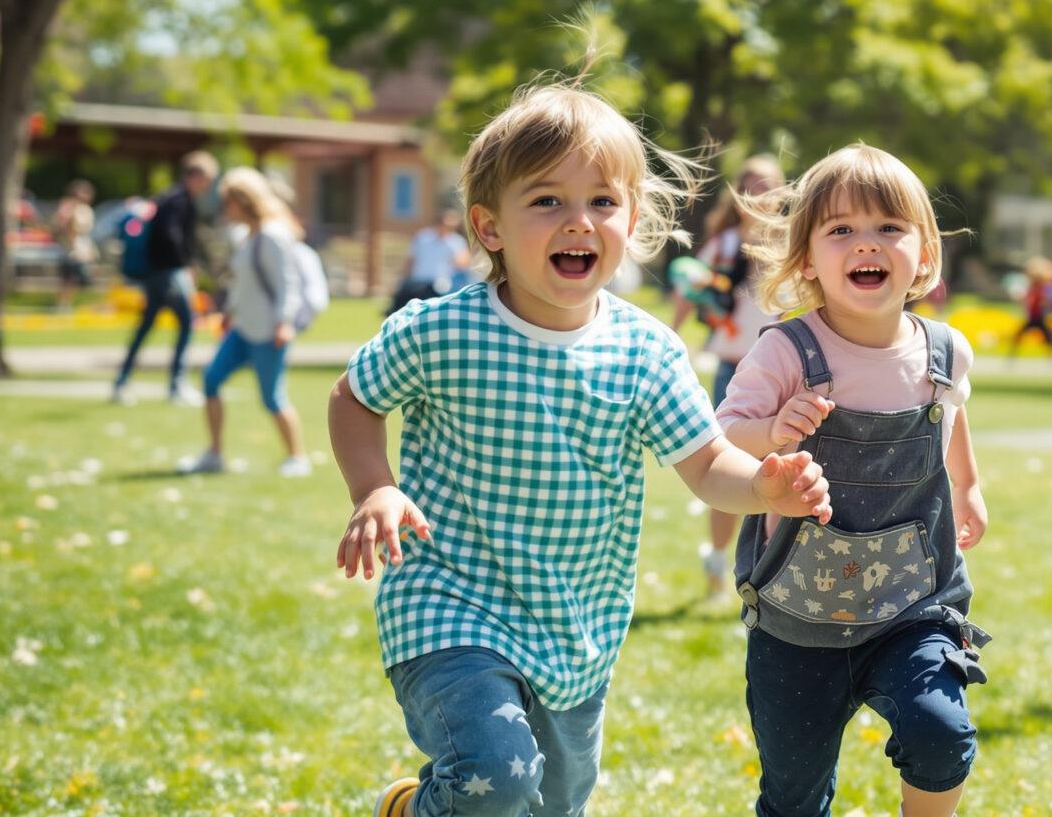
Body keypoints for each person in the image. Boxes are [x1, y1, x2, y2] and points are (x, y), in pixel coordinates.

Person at [327, 81, 834, 817]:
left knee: (551, 804)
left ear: (631, 218)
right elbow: (354, 396)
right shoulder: (441, 330)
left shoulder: (647, 352)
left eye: (602, 202)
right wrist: (374, 487)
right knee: (496, 779)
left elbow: (704, 461)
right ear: (489, 226)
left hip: (577, 626)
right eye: (546, 201)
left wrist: (762, 486)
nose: (579, 222)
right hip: (449, 604)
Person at [716, 144, 989, 817]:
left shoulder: (946, 351)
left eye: (888, 228)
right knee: (793, 796)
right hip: (796, 619)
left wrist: (970, 486)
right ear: (808, 258)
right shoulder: (786, 349)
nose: (865, 244)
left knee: (942, 733)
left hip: (913, 606)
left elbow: (951, 417)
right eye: (841, 230)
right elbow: (724, 432)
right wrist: (776, 426)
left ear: (923, 254)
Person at [669, 153, 787, 597]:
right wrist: (674, 336)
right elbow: (689, 289)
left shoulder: (794, 245)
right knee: (729, 468)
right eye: (752, 183)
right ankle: (718, 558)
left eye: (769, 184)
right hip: (734, 370)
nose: (760, 192)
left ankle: (770, 575)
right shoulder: (723, 246)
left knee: (781, 472)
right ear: (738, 192)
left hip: (785, 372)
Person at [176, 168, 313, 478]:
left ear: (243, 201)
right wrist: (230, 312)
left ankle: (297, 457)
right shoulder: (244, 235)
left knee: (272, 398)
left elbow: (287, 285)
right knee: (211, 380)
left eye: (228, 202)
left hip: (269, 331)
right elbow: (243, 283)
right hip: (242, 328)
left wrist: (285, 322)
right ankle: (214, 453)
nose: (225, 208)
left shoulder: (273, 235)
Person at [113, 152, 218, 406]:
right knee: (186, 322)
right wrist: (186, 266)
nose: (208, 186)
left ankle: (122, 381)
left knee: (146, 326)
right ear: (195, 175)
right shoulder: (179, 200)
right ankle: (177, 385)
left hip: (153, 273)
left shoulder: (166, 197)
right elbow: (172, 237)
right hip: (168, 273)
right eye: (207, 179)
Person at [388, 207, 473, 315]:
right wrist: (405, 277)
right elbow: (412, 259)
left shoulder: (456, 242)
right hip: (417, 281)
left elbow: (462, 263)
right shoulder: (423, 237)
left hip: (439, 284)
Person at [51, 180, 98, 313]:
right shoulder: (68, 207)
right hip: (71, 247)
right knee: (69, 277)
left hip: (81, 245)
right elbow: (66, 228)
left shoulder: (85, 209)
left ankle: (67, 303)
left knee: (76, 277)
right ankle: (62, 303)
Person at [1012, 256, 1052, 356]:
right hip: (1033, 317)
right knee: (1019, 336)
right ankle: (1013, 354)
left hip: (1040, 317)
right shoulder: (1033, 289)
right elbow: (1027, 301)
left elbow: (1046, 301)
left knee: (1050, 338)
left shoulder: (1041, 289)